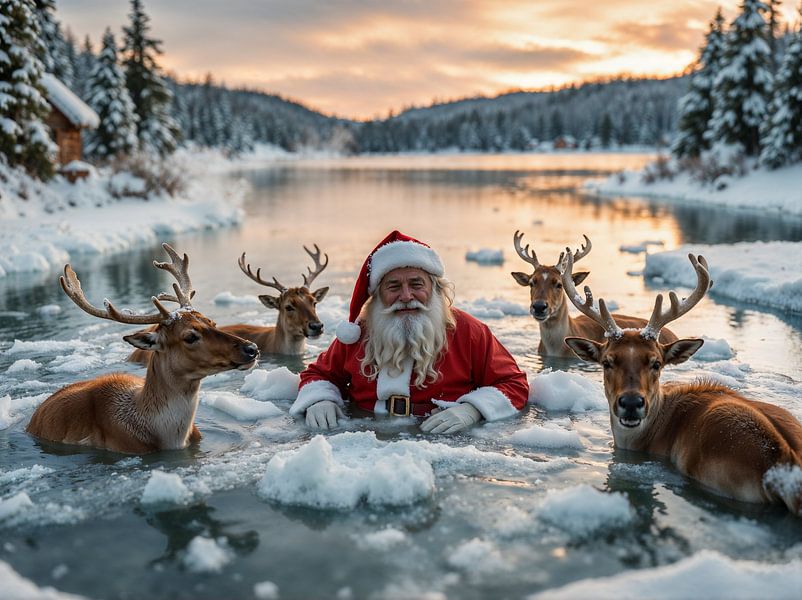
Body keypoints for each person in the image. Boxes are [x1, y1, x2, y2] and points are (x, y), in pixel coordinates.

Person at [289, 230, 528, 433]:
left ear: (434, 288)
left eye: (416, 284)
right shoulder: (358, 333)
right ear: (378, 296)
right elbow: (319, 374)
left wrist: (473, 409)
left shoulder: (469, 331)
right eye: (393, 286)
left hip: (443, 443)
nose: (405, 296)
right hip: (365, 437)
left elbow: (513, 383)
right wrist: (320, 399)